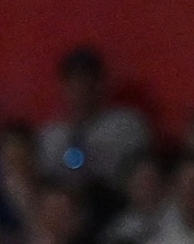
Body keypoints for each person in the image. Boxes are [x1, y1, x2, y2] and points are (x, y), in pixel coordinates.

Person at [35, 48, 149, 191]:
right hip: (65, 201)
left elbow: (143, 175)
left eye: (86, 80)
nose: (80, 89)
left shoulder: (125, 125)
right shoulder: (51, 136)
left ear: (100, 84)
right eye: (73, 82)